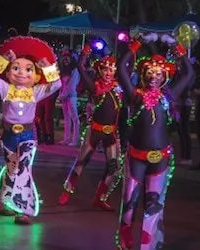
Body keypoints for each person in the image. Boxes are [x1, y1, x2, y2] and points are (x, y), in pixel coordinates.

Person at [116, 34, 192, 250]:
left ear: (165, 76)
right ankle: (124, 240)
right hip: (136, 156)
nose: (154, 76)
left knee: (153, 205)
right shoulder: (135, 95)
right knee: (129, 202)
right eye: (149, 72)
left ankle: (149, 246)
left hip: (162, 157)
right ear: (142, 74)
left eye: (159, 73)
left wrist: (176, 46)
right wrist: (137, 43)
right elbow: (122, 68)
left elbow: (187, 74)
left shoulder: (168, 96)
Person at [0, 36, 61, 225]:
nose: (22, 73)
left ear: (35, 74)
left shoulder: (35, 91)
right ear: (9, 72)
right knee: (12, 169)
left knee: (24, 170)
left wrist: (47, 67)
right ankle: (8, 201)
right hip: (8, 135)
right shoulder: (5, 89)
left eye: (28, 69)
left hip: (28, 135)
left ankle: (23, 209)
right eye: (16, 68)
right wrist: (4, 58)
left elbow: (57, 85)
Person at [58, 47, 122, 211]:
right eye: (105, 69)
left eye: (112, 69)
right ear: (100, 70)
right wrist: (84, 55)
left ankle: (100, 198)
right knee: (81, 162)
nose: (109, 72)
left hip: (112, 133)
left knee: (114, 167)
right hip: (94, 131)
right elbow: (80, 67)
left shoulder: (118, 88)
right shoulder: (95, 86)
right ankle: (67, 190)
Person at [58, 49, 80, 146]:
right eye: (64, 57)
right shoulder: (63, 70)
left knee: (74, 118)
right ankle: (66, 139)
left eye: (67, 57)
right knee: (66, 117)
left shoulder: (74, 70)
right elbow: (61, 84)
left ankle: (75, 140)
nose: (65, 59)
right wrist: (61, 94)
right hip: (64, 96)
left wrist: (63, 95)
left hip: (72, 96)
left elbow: (72, 85)